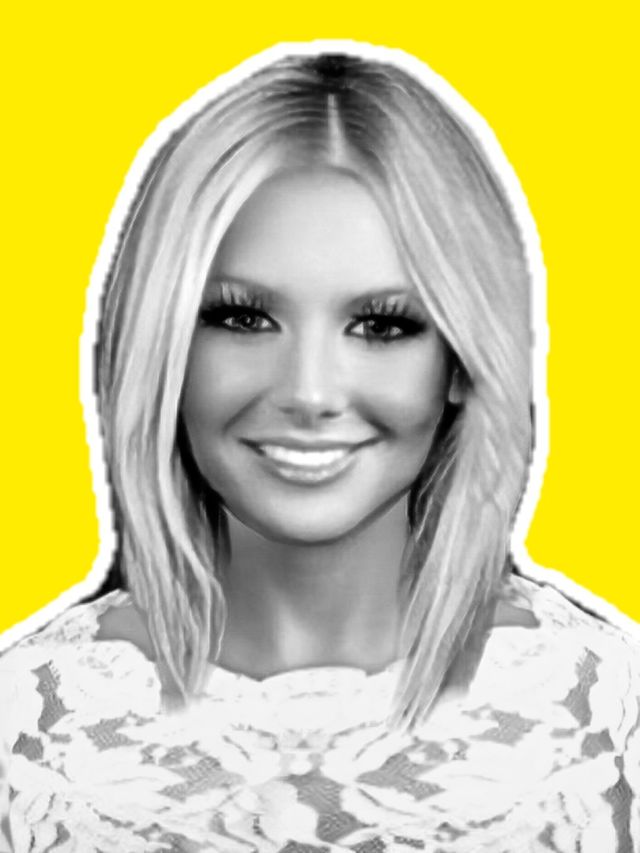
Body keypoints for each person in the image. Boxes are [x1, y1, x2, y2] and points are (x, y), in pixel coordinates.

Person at [1, 41, 638, 853]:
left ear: (461, 360)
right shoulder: (26, 725)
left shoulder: (608, 717)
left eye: (381, 325)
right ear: (162, 347)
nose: (308, 392)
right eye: (242, 317)